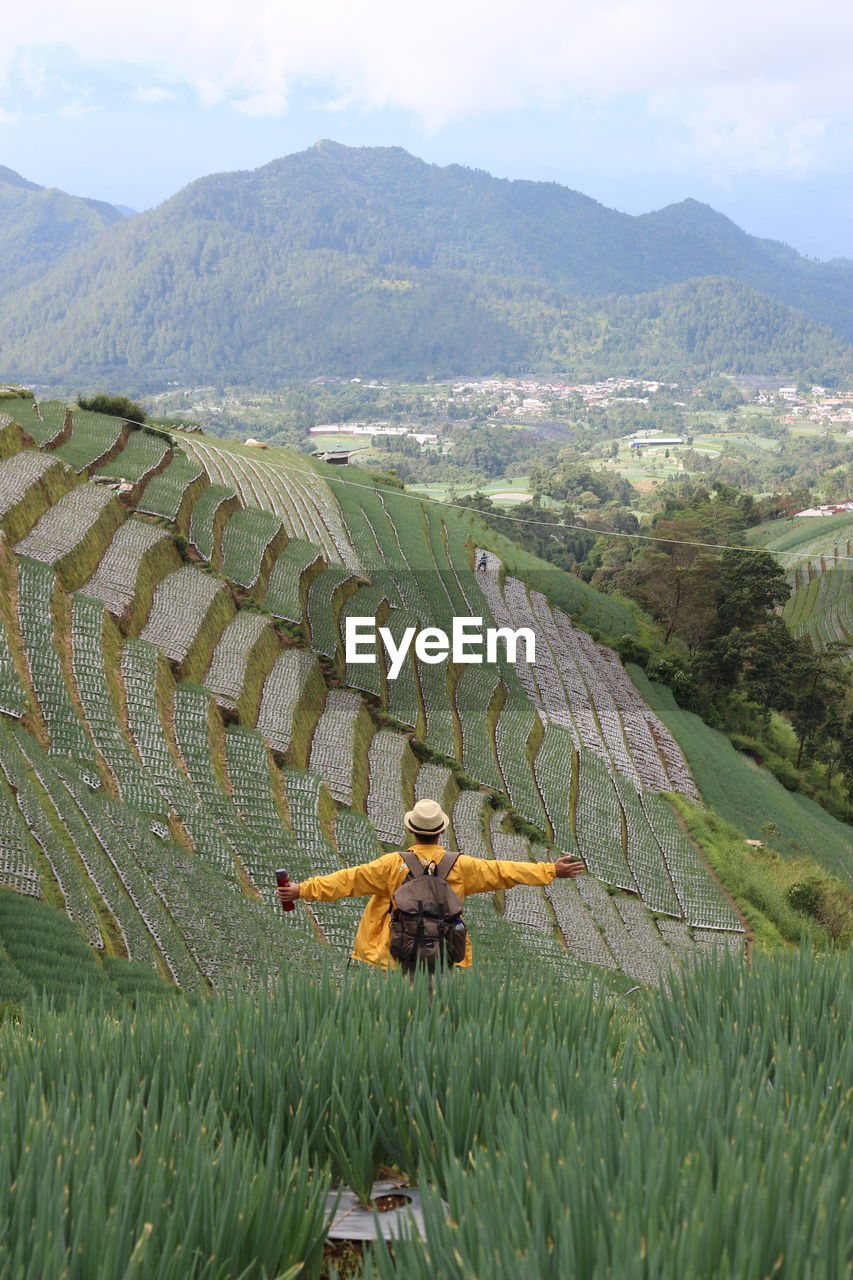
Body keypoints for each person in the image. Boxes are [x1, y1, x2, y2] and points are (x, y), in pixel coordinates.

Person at [276, 798, 585, 969]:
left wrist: (301, 890)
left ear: (412, 831)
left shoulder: (391, 864)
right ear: (440, 832)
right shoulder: (461, 866)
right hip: (442, 952)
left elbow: (346, 881)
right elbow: (504, 871)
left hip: (394, 952)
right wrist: (550, 870)